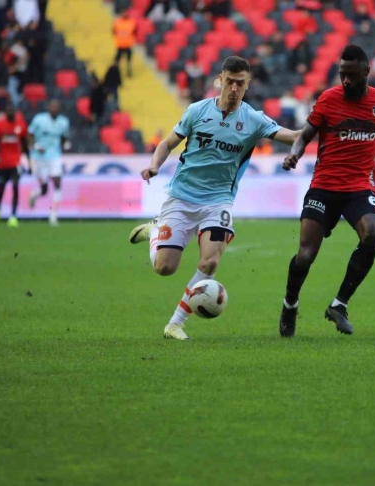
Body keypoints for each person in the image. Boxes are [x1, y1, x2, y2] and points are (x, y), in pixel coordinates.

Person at [128, 56, 302, 340]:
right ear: (220, 80)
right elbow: (167, 143)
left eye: (240, 83)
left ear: (248, 85)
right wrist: (154, 165)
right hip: (181, 198)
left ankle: (175, 324)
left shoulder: (254, 119)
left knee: (210, 262)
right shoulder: (197, 111)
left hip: (218, 201)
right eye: (230, 82)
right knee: (164, 268)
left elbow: (293, 135)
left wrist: (320, 125)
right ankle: (155, 231)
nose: (234, 88)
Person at [278, 45, 375, 338]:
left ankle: (339, 305)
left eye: (352, 75)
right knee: (306, 255)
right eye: (342, 74)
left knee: (374, 232)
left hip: (359, 187)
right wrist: (295, 154)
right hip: (324, 187)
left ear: (367, 72)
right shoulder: (328, 99)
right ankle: (290, 303)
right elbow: (306, 134)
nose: (345, 81)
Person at [28, 100, 70, 226]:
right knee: (44, 190)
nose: (54, 109)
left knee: (57, 183)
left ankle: (53, 215)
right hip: (39, 157)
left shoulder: (64, 122)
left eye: (57, 107)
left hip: (54, 156)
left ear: (59, 108)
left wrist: (66, 144)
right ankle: (35, 194)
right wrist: (35, 145)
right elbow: (29, 135)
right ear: (48, 107)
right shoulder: (39, 119)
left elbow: (64, 137)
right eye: (52, 106)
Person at [0, 104, 29, 227]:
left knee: (15, 186)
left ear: (15, 112)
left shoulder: (21, 125)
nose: (10, 113)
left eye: (12, 111)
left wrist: (28, 161)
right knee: (1, 189)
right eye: (8, 111)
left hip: (15, 162)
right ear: (5, 113)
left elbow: (25, 142)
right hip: (2, 163)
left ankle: (13, 216)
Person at [113, 9, 137, 78]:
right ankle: (115, 72)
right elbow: (114, 31)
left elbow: (134, 31)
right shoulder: (118, 22)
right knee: (117, 60)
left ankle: (128, 72)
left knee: (128, 60)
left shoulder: (130, 22)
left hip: (127, 44)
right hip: (120, 44)